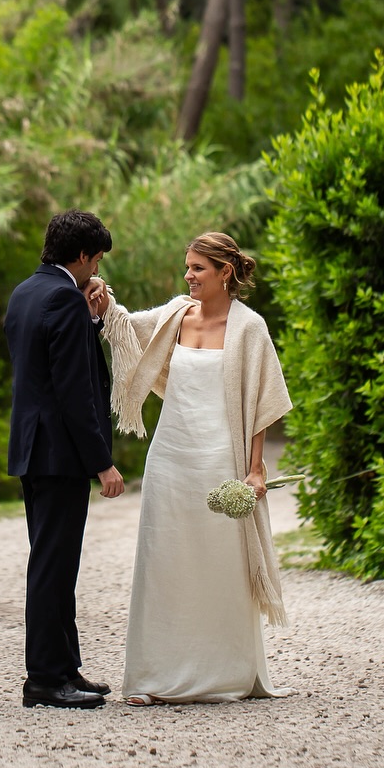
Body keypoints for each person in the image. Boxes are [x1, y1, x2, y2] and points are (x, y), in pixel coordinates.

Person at [92, 231, 294, 705]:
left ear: (225, 272)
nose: (188, 275)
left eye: (198, 268)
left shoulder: (250, 328)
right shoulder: (176, 316)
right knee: (163, 560)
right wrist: (103, 299)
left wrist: (256, 468)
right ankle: (152, 677)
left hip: (221, 458)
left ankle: (224, 673)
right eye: (187, 267)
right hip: (170, 457)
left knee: (221, 565)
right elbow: (124, 328)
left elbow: (264, 402)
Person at [4, 209, 125, 709]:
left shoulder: (26, 293)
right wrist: (103, 463)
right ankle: (45, 680)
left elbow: (49, 364)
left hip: (34, 450)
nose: (96, 271)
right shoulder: (63, 299)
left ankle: (65, 666)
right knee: (54, 567)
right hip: (60, 455)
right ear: (80, 255)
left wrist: (91, 317)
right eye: (95, 261)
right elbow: (75, 391)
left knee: (54, 562)